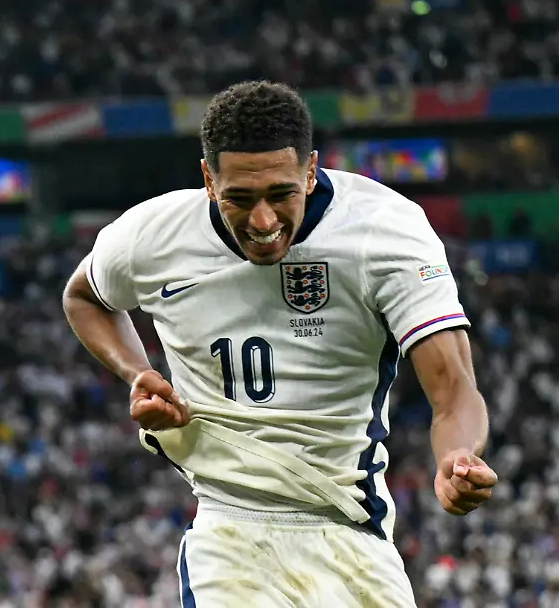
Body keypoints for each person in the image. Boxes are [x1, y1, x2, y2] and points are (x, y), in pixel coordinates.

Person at [61, 80, 497, 607]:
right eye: (240, 199)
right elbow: (84, 296)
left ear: (311, 171)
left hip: (350, 529)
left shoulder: (384, 231)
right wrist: (137, 373)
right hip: (230, 531)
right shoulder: (152, 235)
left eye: (282, 194)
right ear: (208, 179)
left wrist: (458, 455)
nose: (263, 221)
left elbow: (453, 388)